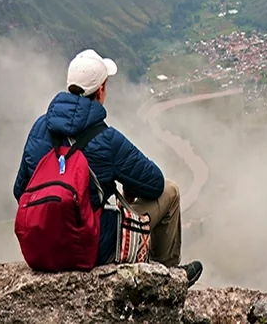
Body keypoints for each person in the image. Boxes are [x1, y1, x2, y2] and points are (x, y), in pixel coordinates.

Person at [13, 48, 203, 286]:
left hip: (39, 249)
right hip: (90, 247)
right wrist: (128, 188)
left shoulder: (39, 129)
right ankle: (165, 279)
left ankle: (162, 277)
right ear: (100, 90)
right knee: (171, 191)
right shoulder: (106, 138)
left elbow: (20, 191)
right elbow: (155, 184)